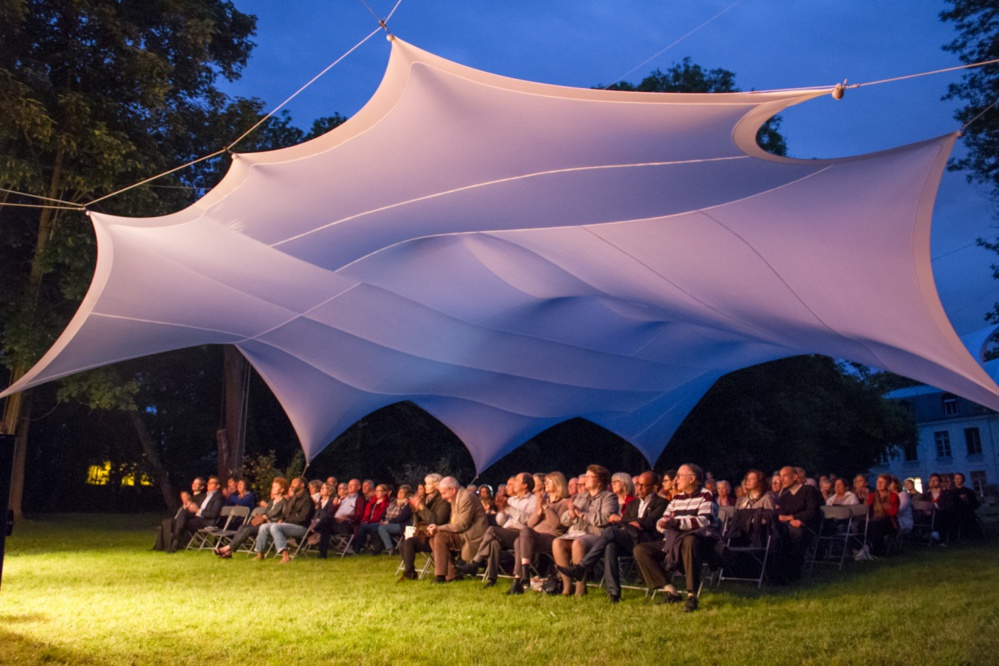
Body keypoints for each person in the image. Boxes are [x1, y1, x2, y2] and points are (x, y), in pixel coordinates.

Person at [569, 470, 668, 602]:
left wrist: (627, 520)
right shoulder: (634, 504)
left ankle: (583, 566)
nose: (639, 488)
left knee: (610, 532)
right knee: (611, 546)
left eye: (644, 485)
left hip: (647, 541)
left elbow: (650, 522)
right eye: (638, 484)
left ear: (654, 487)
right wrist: (629, 521)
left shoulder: (661, 502)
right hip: (630, 538)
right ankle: (613, 593)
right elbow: (624, 523)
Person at [632, 464, 720, 612]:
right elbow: (663, 521)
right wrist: (663, 524)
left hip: (700, 542)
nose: (675, 480)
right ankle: (671, 591)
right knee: (641, 550)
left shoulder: (707, 496)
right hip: (673, 541)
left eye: (679, 476)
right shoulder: (676, 498)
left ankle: (692, 595)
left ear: (691, 479)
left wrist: (676, 522)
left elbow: (704, 521)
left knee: (689, 540)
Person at [457, 472, 537, 586]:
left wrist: (508, 508)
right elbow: (500, 521)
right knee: (493, 543)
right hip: (507, 531)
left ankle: (475, 563)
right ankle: (492, 579)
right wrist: (502, 509)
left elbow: (526, 520)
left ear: (525, 485)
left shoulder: (533, 500)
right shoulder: (512, 500)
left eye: (517, 481)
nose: (514, 484)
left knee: (492, 530)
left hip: (521, 534)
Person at [552, 464, 619, 596]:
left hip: (596, 535)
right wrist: (571, 514)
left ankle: (580, 588)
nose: (586, 479)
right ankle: (567, 587)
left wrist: (582, 514)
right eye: (586, 476)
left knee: (578, 542)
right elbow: (564, 520)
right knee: (557, 542)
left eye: (590, 477)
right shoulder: (579, 497)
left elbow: (605, 519)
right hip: (576, 531)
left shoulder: (609, 497)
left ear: (599, 481)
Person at [506, 472, 571, 595]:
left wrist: (547, 509)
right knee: (519, 539)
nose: (545, 483)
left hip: (552, 538)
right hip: (533, 537)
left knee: (522, 535)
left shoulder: (564, 502)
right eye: (545, 481)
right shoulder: (543, 501)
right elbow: (530, 523)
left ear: (558, 484)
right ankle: (519, 581)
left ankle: (522, 577)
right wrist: (539, 511)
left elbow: (557, 524)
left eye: (549, 481)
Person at [429, 477, 489, 583]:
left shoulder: (466, 497)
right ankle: (452, 574)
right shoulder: (455, 498)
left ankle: (441, 576)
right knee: (434, 538)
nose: (442, 497)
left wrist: (439, 528)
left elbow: (462, 525)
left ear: (452, 489)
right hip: (462, 533)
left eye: (444, 493)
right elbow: (454, 523)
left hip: (472, 536)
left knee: (440, 536)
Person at [215, 477, 288, 558]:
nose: (273, 488)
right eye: (273, 486)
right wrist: (264, 516)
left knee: (248, 529)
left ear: (282, 489)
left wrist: (268, 519)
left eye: (275, 487)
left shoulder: (284, 502)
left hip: (270, 526)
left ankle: (227, 548)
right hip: (263, 523)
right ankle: (230, 551)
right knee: (243, 526)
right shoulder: (271, 501)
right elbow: (267, 512)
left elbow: (283, 516)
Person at [398, 474, 451, 580]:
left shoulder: (442, 501)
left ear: (436, 485)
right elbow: (419, 520)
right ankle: (411, 571)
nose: (425, 486)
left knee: (409, 542)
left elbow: (437, 521)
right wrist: (416, 509)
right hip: (423, 533)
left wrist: (421, 507)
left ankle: (409, 573)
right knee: (403, 543)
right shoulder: (426, 498)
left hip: (436, 536)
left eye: (428, 484)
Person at [254, 476, 314, 563]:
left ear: (302, 485)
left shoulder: (307, 500)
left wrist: (286, 520)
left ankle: (285, 556)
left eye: (294, 483)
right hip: (288, 525)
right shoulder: (293, 498)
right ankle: (260, 554)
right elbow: (286, 513)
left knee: (275, 527)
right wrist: (282, 519)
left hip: (301, 528)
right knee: (264, 526)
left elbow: (302, 518)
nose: (292, 485)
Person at [776, 466, 821, 581]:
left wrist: (794, 518)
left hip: (807, 526)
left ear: (795, 477)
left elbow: (812, 511)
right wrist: (790, 520)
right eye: (780, 476)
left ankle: (792, 572)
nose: (781, 479)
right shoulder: (784, 497)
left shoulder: (808, 490)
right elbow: (781, 514)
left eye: (785, 476)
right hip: (789, 525)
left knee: (794, 534)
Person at [168, 476, 225, 552]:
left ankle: (175, 541)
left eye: (212, 483)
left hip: (206, 521)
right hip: (197, 517)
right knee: (183, 514)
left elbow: (213, 514)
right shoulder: (205, 495)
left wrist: (198, 511)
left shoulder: (218, 497)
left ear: (218, 486)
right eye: (208, 483)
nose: (209, 484)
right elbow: (196, 507)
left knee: (180, 522)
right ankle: (175, 540)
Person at [373, 485, 413, 554]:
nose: (399, 494)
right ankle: (377, 548)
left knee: (382, 528)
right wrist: (382, 519)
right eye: (399, 492)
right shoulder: (393, 503)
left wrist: (388, 522)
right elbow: (384, 513)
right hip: (387, 522)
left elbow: (402, 518)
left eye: (402, 493)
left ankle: (390, 548)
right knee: (372, 527)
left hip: (401, 525)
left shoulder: (408, 505)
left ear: (407, 495)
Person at [866, 473, 899, 557]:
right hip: (873, 521)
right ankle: (862, 550)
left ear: (887, 484)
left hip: (889, 522)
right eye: (878, 482)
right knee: (864, 525)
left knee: (875, 525)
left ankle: (878, 551)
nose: (879, 484)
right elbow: (868, 510)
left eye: (882, 482)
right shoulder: (872, 496)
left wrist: (882, 504)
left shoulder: (893, 496)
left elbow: (893, 512)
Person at [354, 484, 391, 553]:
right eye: (376, 491)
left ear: (384, 492)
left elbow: (381, 516)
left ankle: (373, 547)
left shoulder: (386, 503)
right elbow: (366, 514)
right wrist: (365, 520)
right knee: (362, 526)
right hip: (369, 522)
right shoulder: (372, 502)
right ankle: (360, 547)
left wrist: (369, 521)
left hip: (379, 522)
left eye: (379, 491)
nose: (376, 492)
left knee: (371, 527)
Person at [952, 472, 983, 539]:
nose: (957, 480)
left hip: (967, 512)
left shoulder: (969, 492)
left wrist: (967, 501)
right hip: (955, 513)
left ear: (963, 479)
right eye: (955, 478)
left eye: (959, 478)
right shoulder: (951, 492)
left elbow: (974, 504)